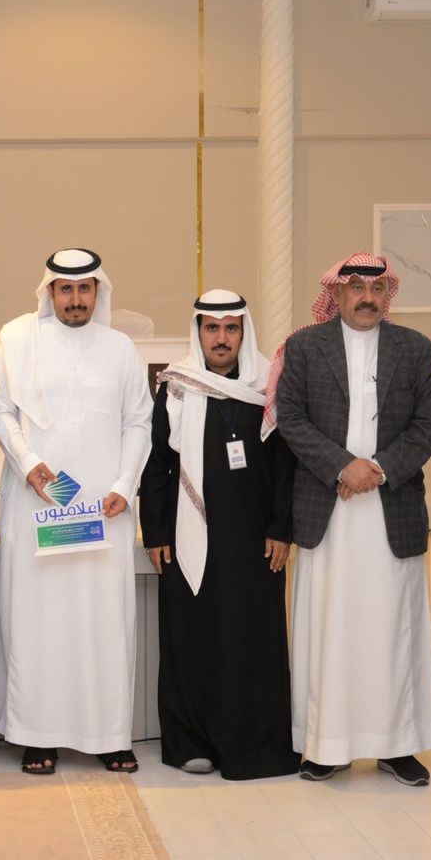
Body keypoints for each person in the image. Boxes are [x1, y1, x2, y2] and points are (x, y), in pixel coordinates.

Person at [270, 254, 431, 786]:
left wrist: (380, 469)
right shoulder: (305, 346)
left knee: (393, 628)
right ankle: (327, 745)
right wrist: (341, 466)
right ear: (337, 294)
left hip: (391, 507)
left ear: (388, 295)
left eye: (377, 288)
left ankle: (397, 745)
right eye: (355, 287)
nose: (367, 297)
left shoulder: (414, 347)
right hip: (328, 508)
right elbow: (290, 418)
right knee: (330, 626)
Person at [0, 249, 153, 774]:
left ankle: (108, 735)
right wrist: (29, 463)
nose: (75, 299)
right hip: (37, 505)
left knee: (103, 622)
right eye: (66, 289)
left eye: (84, 289)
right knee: (38, 622)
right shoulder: (17, 338)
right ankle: (37, 734)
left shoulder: (120, 348)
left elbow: (139, 421)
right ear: (50, 292)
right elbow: (1, 412)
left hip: (103, 511)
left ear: (97, 292)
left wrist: (125, 485)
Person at [139, 289, 297, 779]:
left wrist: (281, 528)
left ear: (244, 332)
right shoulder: (177, 386)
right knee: (192, 638)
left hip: (254, 540)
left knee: (251, 639)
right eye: (212, 328)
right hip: (189, 536)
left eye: (231, 328)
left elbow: (285, 464)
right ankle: (190, 742)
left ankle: (256, 744)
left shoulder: (268, 386)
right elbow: (157, 464)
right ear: (199, 332)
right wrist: (156, 532)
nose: (222, 338)